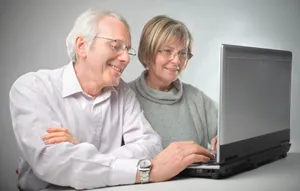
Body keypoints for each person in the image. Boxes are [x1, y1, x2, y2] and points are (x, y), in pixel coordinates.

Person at [9, 9, 214, 190]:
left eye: (127, 50)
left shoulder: (122, 92)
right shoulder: (32, 88)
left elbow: (151, 145)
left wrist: (83, 151)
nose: (126, 58)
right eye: (116, 46)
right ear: (82, 46)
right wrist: (145, 171)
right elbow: (54, 165)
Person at [129, 15, 218, 151]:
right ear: (147, 53)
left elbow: (229, 129)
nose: (176, 61)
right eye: (167, 51)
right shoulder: (126, 97)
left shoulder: (196, 98)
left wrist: (224, 139)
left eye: (182, 53)